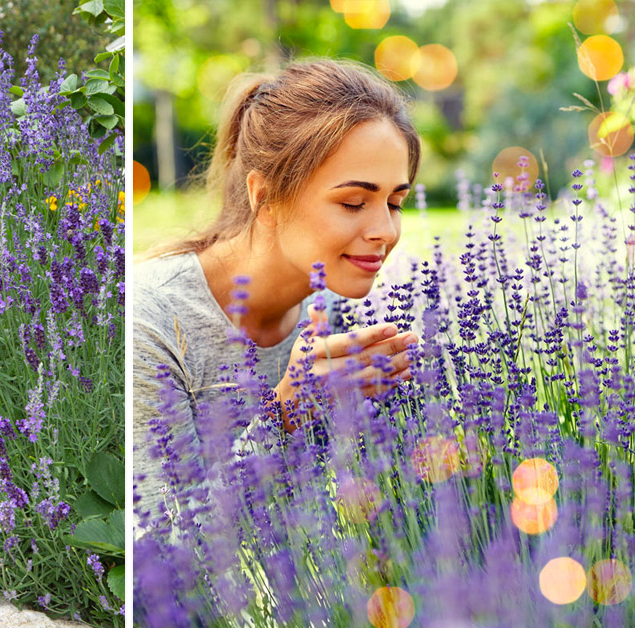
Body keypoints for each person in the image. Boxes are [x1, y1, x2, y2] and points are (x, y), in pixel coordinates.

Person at [133, 59, 423, 521]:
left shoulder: (339, 318)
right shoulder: (150, 321)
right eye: (353, 203)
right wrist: (283, 418)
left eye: (394, 203)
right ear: (265, 197)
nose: (385, 230)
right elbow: (156, 552)